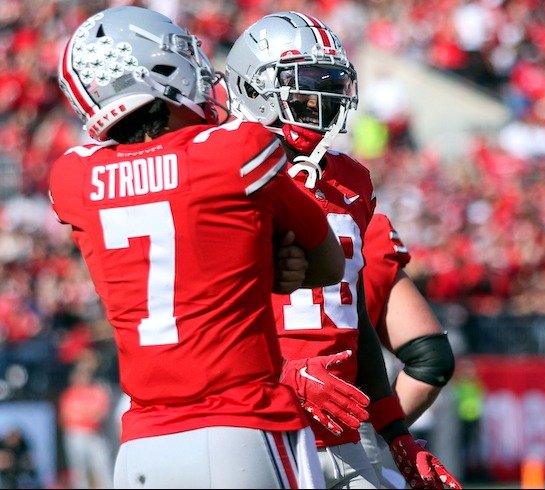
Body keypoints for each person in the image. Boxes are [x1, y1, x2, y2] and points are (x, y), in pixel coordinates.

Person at [51, 6, 345, 488]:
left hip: (141, 447)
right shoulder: (235, 149)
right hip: (241, 426)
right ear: (159, 74)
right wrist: (265, 264)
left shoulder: (74, 179)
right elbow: (327, 261)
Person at [226, 12, 459, 489]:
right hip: (254, 422)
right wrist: (284, 373)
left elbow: (354, 323)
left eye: (331, 83)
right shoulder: (223, 171)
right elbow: (197, 312)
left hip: (343, 426)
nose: (322, 100)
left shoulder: (350, 180)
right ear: (254, 89)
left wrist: (397, 433)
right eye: (306, 85)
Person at [357, 213, 457, 488]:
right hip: (348, 433)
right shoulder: (367, 231)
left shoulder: (256, 214)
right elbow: (431, 359)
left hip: (255, 416)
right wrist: (382, 432)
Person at [59, 354, 114, 489]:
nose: (82, 376)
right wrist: (87, 414)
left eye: (85, 373)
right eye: (79, 373)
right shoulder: (69, 393)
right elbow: (66, 417)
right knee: (78, 472)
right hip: (75, 434)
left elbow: (100, 415)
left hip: (94, 434)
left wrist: (82, 414)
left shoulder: (97, 391)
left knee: (103, 467)